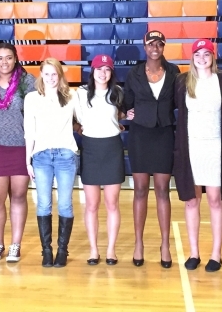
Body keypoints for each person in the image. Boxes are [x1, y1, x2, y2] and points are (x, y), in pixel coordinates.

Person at [123, 30, 180, 268]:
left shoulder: (174, 71)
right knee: (139, 190)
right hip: (140, 136)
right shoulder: (134, 73)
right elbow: (125, 103)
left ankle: (165, 245)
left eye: (159, 43)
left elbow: (180, 102)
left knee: (162, 190)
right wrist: (127, 112)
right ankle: (139, 243)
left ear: (164, 46)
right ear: (144, 47)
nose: (154, 47)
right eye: (150, 44)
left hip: (164, 134)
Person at [173, 39, 222, 272]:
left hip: (215, 146)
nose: (202, 57)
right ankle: (194, 252)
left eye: (207, 53)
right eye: (198, 53)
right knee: (192, 200)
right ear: (192, 57)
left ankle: (216, 254)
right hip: (191, 147)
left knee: (215, 199)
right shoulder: (182, 82)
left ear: (212, 57)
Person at [0, 43, 35, 263]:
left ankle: (15, 245)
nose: (5, 62)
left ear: (16, 59)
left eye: (9, 58)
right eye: (0, 58)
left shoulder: (28, 82)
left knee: (19, 196)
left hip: (21, 147)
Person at [24, 58, 79, 267]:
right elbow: (29, 130)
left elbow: (83, 117)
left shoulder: (71, 96)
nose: (50, 78)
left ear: (60, 75)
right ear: (41, 75)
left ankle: (62, 250)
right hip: (41, 156)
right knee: (44, 203)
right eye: (46, 74)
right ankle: (46, 250)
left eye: (54, 74)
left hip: (66, 155)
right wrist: (27, 159)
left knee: (65, 204)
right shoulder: (31, 98)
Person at [75, 54, 124, 266]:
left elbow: (120, 115)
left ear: (111, 72)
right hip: (91, 148)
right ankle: (94, 250)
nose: (103, 73)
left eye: (107, 69)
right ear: (92, 71)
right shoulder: (80, 93)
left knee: (112, 203)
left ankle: (111, 250)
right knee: (92, 204)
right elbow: (73, 119)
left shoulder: (118, 92)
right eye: (99, 69)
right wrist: (79, 129)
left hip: (112, 147)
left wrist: (120, 122)